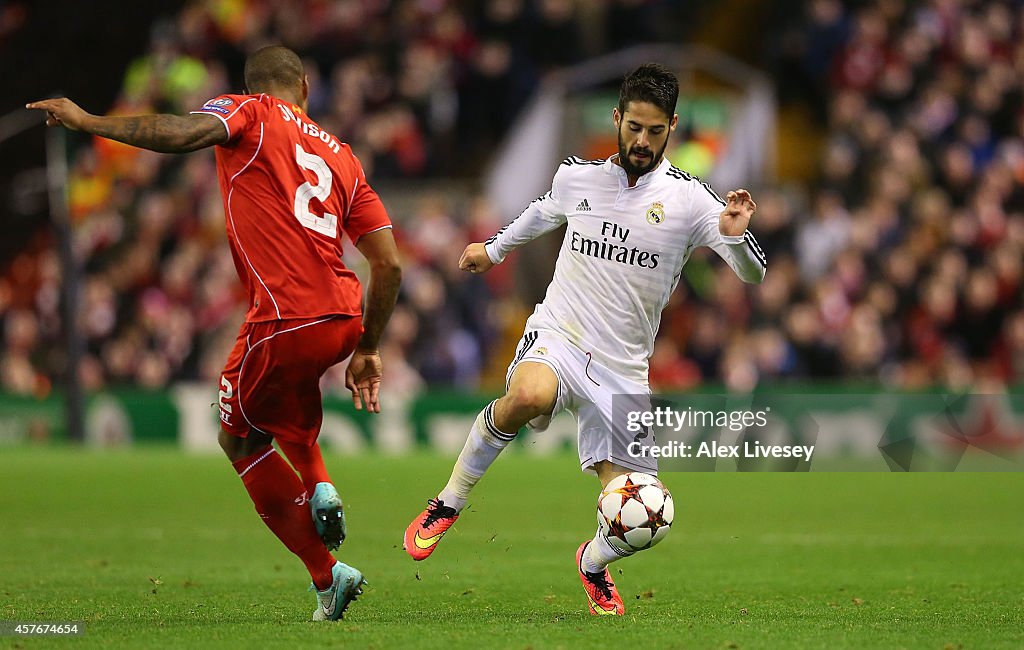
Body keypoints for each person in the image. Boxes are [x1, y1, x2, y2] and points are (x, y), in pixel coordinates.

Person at [28, 45, 402, 622]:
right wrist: (370, 347)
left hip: (283, 316)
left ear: (256, 86)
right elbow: (391, 264)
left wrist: (91, 123)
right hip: (343, 318)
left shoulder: (248, 111)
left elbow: (179, 132)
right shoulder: (344, 158)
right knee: (283, 396)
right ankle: (319, 481)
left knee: (238, 440)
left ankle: (328, 576)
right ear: (304, 85)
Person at [403, 63, 766, 615]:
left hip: (624, 370)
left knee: (642, 513)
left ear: (672, 127)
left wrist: (737, 240)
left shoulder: (692, 200)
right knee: (527, 396)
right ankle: (449, 501)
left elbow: (752, 274)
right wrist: (493, 249)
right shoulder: (578, 176)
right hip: (561, 333)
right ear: (617, 119)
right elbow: (542, 213)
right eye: (633, 127)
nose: (641, 141)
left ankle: (592, 563)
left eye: (654, 131)